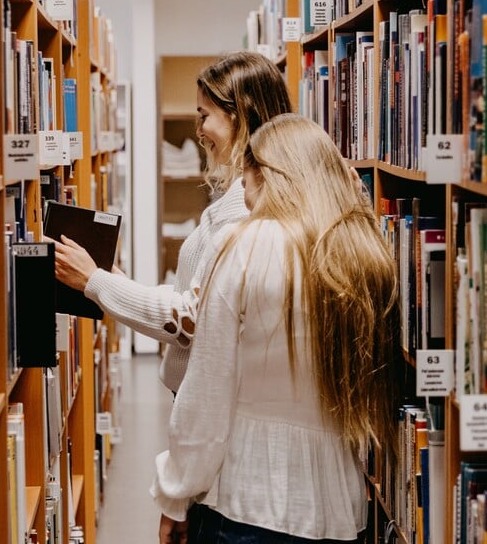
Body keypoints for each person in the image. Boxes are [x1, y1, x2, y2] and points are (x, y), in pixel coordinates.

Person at [151, 115, 404, 544]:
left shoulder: (245, 245)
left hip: (249, 503)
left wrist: (175, 495)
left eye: (245, 182)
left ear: (263, 174)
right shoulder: (361, 251)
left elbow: (208, 393)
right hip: (338, 507)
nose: (244, 198)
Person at [51, 51, 292, 395]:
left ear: (238, 117)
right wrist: (111, 278)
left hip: (217, 396)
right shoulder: (244, 193)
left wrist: (95, 280)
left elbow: (188, 319)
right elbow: (194, 295)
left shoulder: (246, 204)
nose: (198, 130)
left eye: (204, 115)